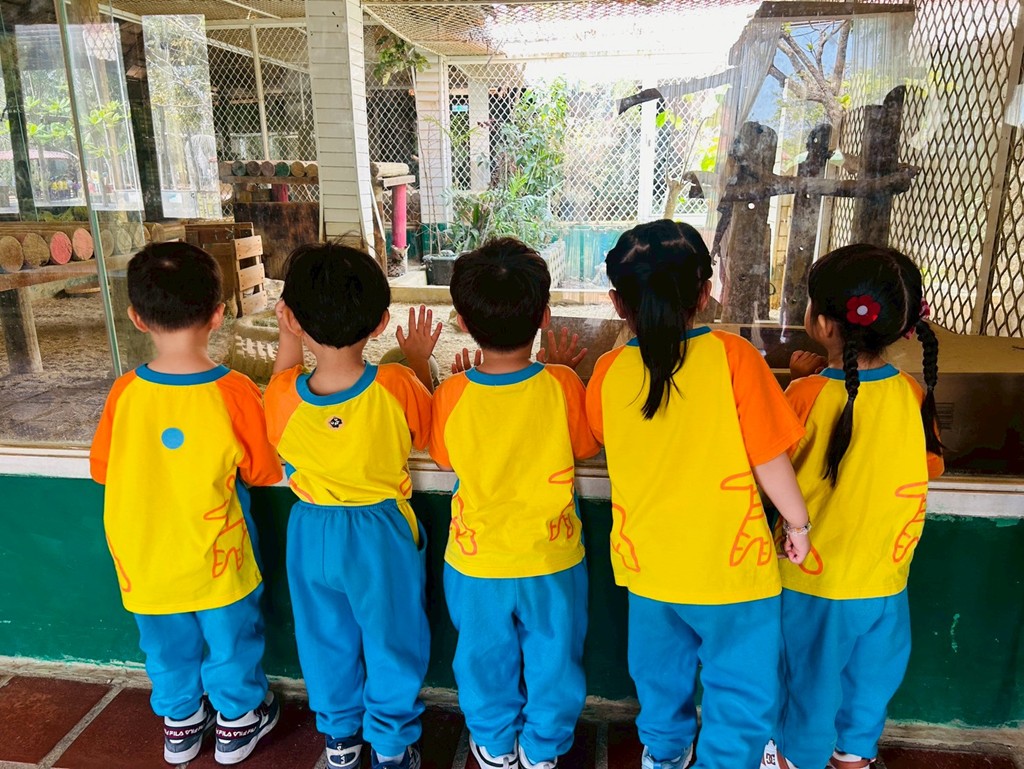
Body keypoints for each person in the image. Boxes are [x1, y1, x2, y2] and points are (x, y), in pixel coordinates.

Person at [585, 220, 812, 769]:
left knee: (659, 676)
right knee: (740, 687)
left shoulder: (609, 371)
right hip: (730, 570)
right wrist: (797, 525)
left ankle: (664, 754)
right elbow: (769, 459)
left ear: (617, 303)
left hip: (650, 568)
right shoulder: (734, 357)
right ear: (706, 293)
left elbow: (598, 435)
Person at [90, 242, 283, 766]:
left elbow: (102, 470)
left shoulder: (124, 392)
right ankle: (238, 720)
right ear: (219, 315)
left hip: (144, 559)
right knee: (231, 639)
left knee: (164, 644)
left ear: (135, 317)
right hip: (217, 556)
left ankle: (180, 722)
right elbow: (263, 471)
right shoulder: (234, 391)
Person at [264, 242, 439, 769]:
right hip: (380, 533)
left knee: (323, 639)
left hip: (310, 531)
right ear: (382, 322)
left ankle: (340, 739)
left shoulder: (283, 398)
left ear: (294, 319)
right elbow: (428, 433)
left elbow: (281, 383)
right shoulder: (396, 384)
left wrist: (288, 335)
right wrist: (419, 360)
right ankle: (390, 743)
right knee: (392, 639)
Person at [769, 245, 944, 769]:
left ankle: (796, 758)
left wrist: (798, 378)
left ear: (823, 324)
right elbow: (931, 467)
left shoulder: (804, 394)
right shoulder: (912, 393)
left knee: (808, 682)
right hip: (885, 578)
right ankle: (854, 758)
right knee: (869, 682)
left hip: (814, 582)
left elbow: (770, 466)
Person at [429, 238, 600, 769]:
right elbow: (585, 448)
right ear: (544, 316)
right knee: (555, 662)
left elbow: (443, 459)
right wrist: (559, 372)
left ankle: (494, 744)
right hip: (552, 561)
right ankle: (542, 748)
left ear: (462, 322)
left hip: (476, 563)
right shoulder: (563, 384)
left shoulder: (452, 393)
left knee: (482, 662)